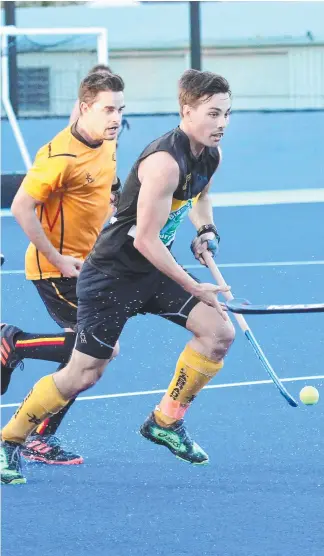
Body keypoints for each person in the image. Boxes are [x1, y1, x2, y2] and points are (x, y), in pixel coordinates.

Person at [1, 69, 235, 485]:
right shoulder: (164, 160)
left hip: (150, 271)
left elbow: (200, 194)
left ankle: (165, 421)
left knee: (219, 332)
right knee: (84, 372)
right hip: (110, 275)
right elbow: (145, 239)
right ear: (187, 111)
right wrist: (191, 283)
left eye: (227, 114)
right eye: (213, 114)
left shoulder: (209, 154)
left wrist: (205, 230)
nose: (221, 123)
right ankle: (10, 440)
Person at [0, 71, 124, 474]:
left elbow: (109, 188)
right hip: (55, 269)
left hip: (88, 266)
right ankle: (13, 343)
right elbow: (21, 207)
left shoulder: (106, 140)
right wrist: (57, 257)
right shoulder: (58, 157)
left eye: (121, 109)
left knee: (86, 356)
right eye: (108, 109)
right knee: (92, 352)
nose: (116, 117)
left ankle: (39, 435)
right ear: (85, 108)